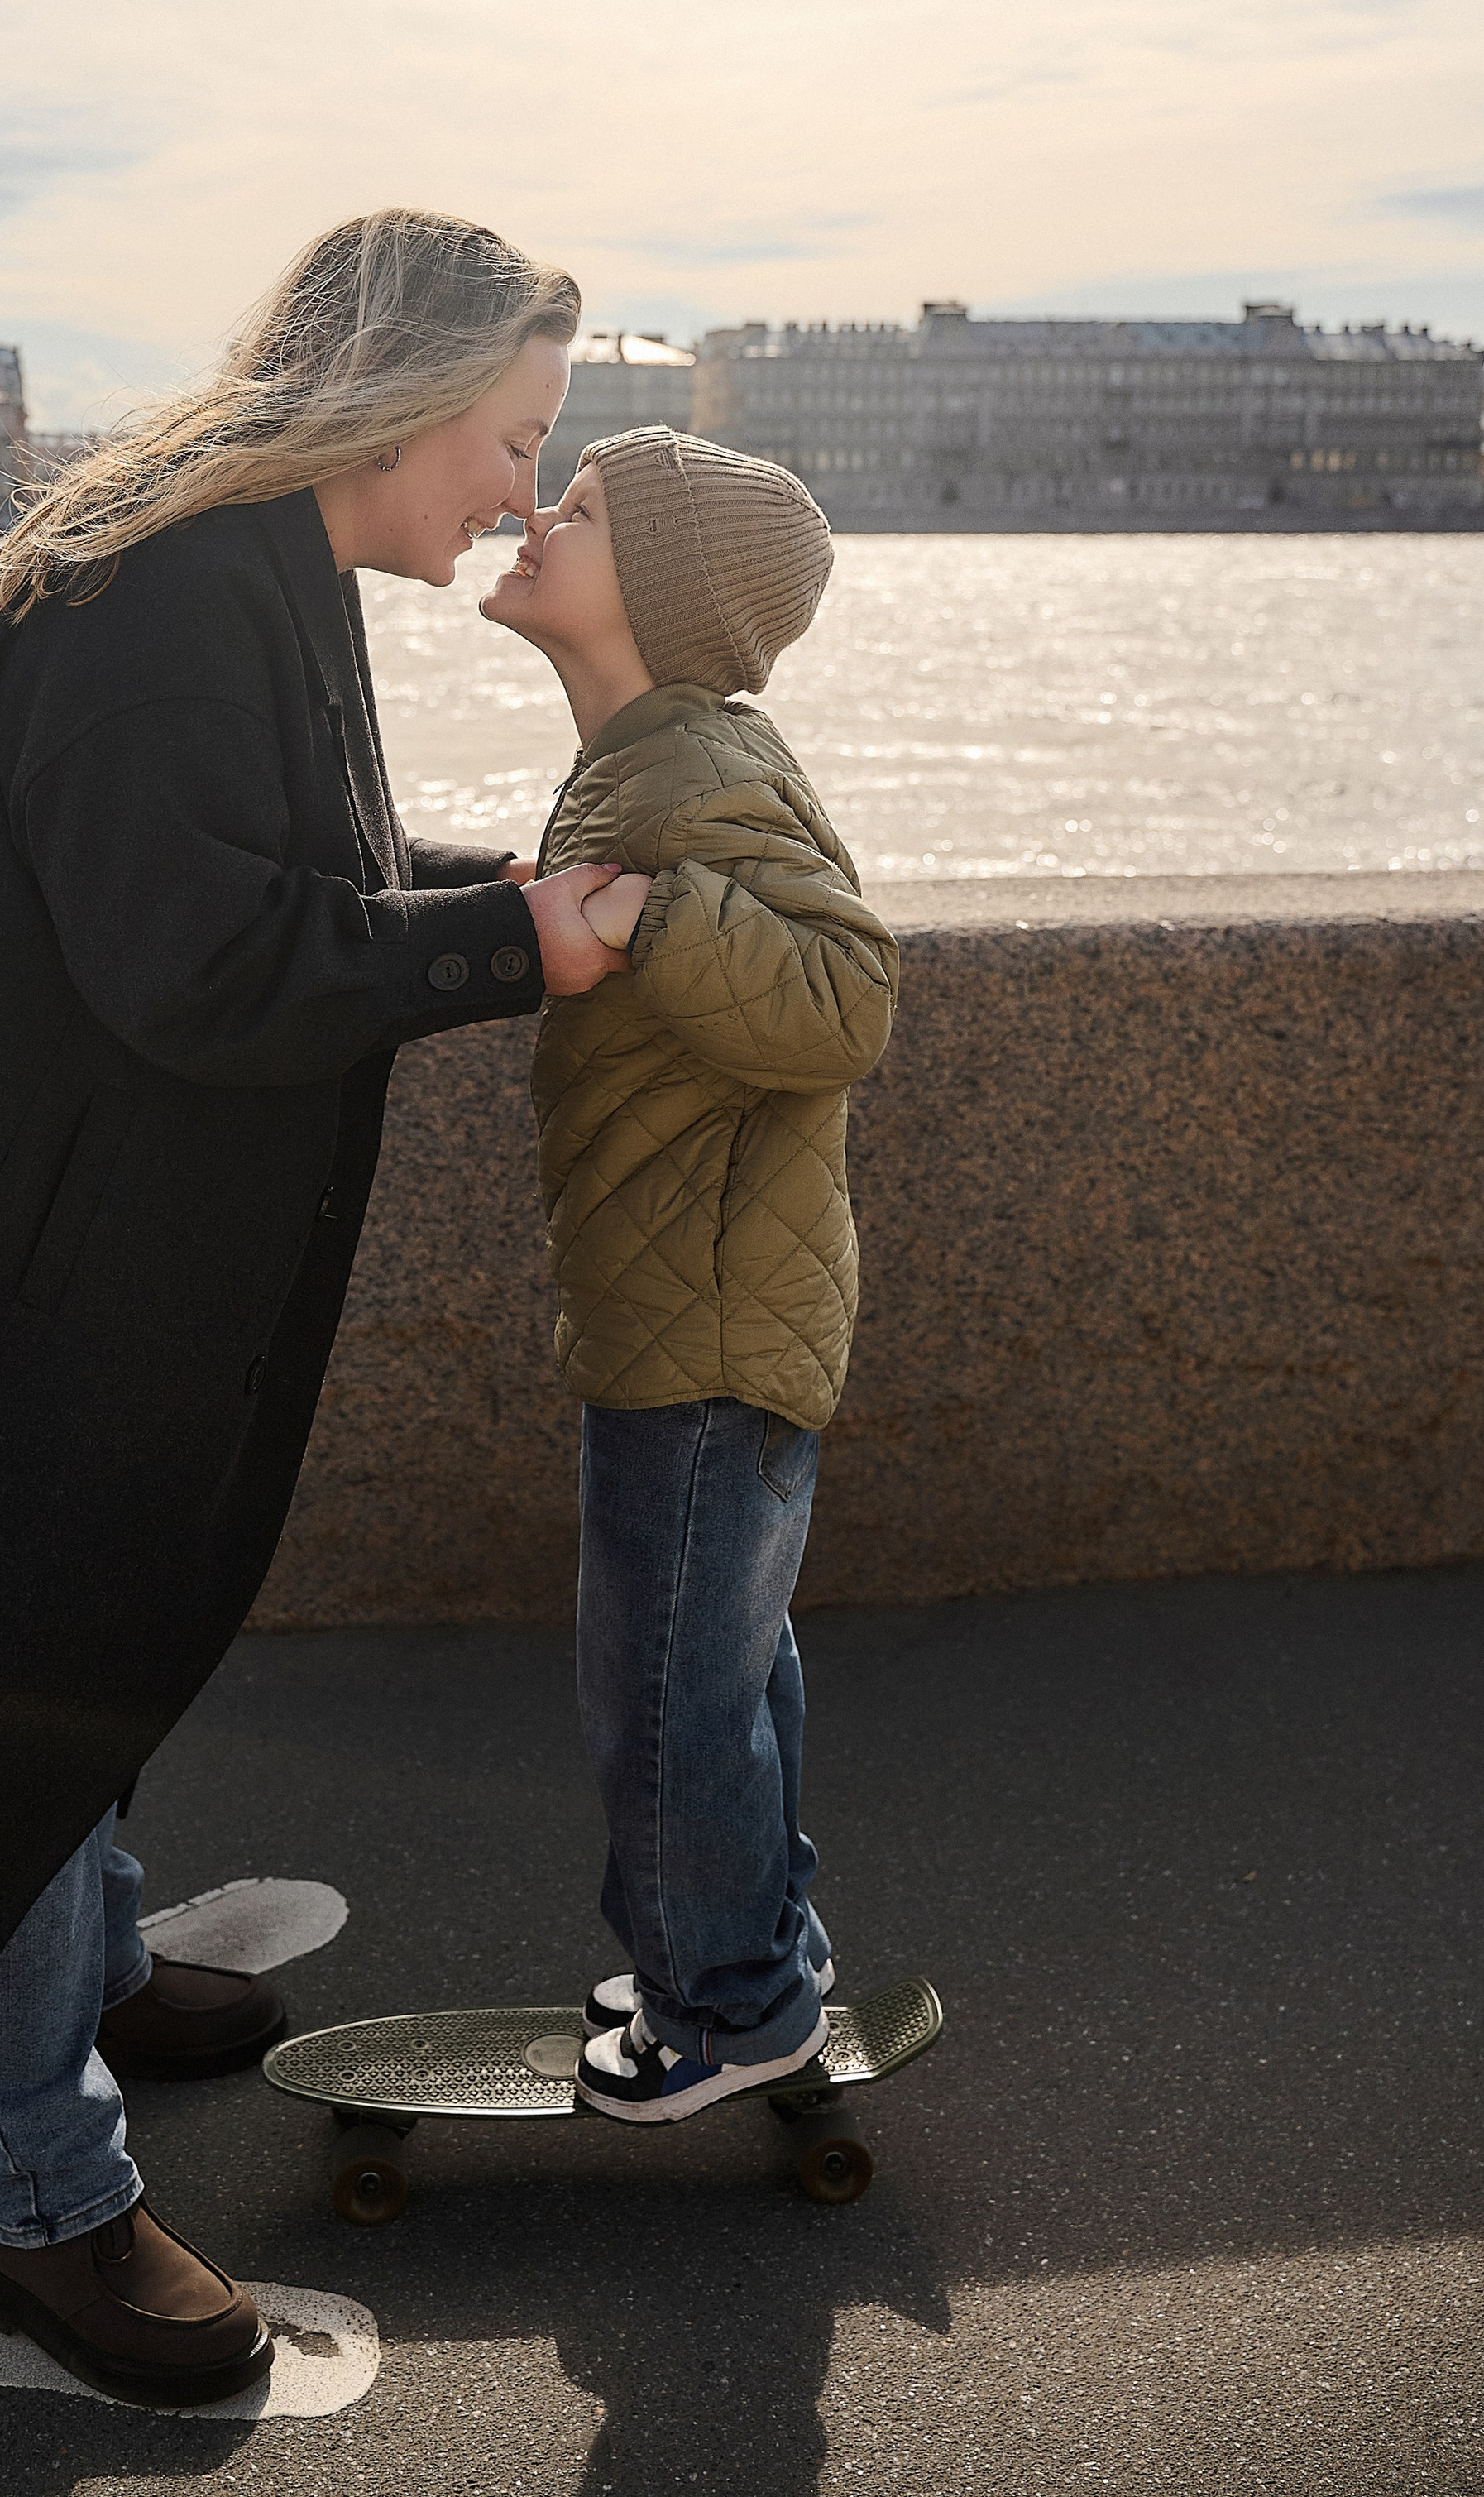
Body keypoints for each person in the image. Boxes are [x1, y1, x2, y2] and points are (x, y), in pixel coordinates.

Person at [0, 211, 638, 2408]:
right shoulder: (183, 603)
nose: (520, 498)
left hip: (43, 1259)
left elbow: (273, 879)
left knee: (59, 1652)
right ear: (410, 397)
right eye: (517, 436)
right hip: (22, 1303)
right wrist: (503, 953)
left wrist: (514, 895)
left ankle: (72, 1957)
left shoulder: (240, 558)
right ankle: (46, 2203)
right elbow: (212, 969)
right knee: (6, 1684)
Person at [477, 425, 901, 2121]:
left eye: (570, 510)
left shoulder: (690, 774)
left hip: (708, 1328)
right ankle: (744, 1945)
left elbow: (842, 996)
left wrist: (647, 907)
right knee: (718, 1666)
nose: (528, 511)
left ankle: (723, 2003)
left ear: (653, 591)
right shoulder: (652, 748)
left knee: (661, 1681)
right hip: (694, 1300)